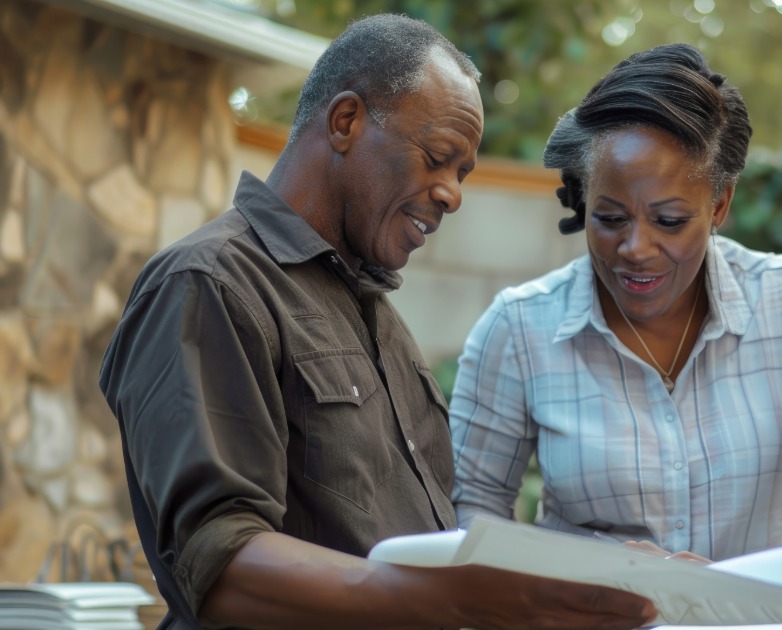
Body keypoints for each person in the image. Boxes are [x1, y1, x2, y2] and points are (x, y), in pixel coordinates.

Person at [99, 15, 656, 630]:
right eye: (438, 158)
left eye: (462, 174)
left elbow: (431, 546)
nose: (452, 194)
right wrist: (451, 599)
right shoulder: (209, 284)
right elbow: (219, 565)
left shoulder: (380, 319)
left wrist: (589, 576)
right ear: (345, 121)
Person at [450, 43, 782, 562]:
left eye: (669, 221)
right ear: (583, 201)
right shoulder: (519, 327)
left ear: (719, 205)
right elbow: (475, 504)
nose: (635, 249)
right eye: (610, 218)